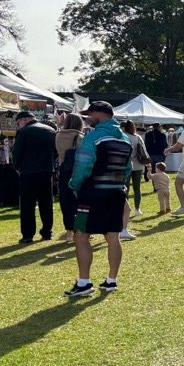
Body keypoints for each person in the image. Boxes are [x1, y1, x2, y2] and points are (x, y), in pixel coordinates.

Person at [65, 101, 133, 296]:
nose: (87, 118)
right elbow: (127, 169)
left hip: (92, 193)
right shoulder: (125, 139)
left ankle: (84, 283)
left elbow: (82, 167)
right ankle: (112, 280)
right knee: (113, 236)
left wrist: (74, 185)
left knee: (81, 234)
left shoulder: (93, 137)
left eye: (90, 114)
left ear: (99, 114)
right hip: (116, 193)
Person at [12, 111, 57, 243]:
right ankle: (47, 232)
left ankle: (27, 234)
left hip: (28, 172)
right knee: (46, 203)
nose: (18, 126)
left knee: (27, 204)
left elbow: (17, 152)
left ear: (24, 120)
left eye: (18, 123)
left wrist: (17, 167)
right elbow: (55, 152)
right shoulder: (50, 130)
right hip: (46, 170)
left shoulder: (24, 132)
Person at [55, 113, 85, 242]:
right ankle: (80, 230)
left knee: (66, 201)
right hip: (77, 171)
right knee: (80, 201)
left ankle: (68, 232)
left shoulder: (58, 135)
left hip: (64, 170)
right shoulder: (80, 136)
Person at [121, 120, 150, 218]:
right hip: (138, 165)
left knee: (126, 189)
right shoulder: (138, 137)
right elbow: (144, 151)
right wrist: (148, 164)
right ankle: (137, 209)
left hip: (126, 165)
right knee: (137, 188)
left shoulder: (122, 137)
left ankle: (125, 209)